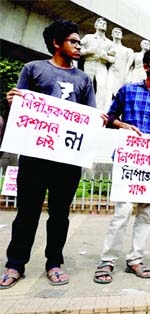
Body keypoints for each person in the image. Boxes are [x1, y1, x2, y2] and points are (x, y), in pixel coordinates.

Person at [1, 19, 97, 289]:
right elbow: (21, 114)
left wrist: (98, 118)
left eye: (79, 42)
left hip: (68, 159)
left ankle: (54, 263)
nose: (79, 46)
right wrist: (14, 102)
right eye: (73, 41)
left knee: (60, 215)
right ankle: (15, 264)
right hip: (35, 158)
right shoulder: (33, 69)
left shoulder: (84, 79)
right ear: (57, 43)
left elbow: (89, 114)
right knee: (26, 213)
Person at [93, 48, 150, 284]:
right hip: (128, 160)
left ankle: (135, 259)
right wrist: (123, 126)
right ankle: (107, 261)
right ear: (147, 66)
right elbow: (108, 119)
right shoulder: (128, 91)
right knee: (122, 212)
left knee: (146, 214)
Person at [80, 17, 115, 112]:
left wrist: (106, 57)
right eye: (100, 22)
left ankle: (98, 110)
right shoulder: (88, 37)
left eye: (105, 23)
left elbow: (113, 59)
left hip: (101, 65)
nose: (103, 24)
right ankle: (83, 107)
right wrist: (87, 51)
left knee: (101, 86)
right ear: (95, 25)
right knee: (87, 84)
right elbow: (78, 49)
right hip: (89, 62)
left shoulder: (109, 42)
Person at [106, 27, 133, 106]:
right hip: (111, 71)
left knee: (120, 94)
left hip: (122, 74)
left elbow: (130, 66)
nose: (117, 33)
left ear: (121, 36)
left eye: (119, 32)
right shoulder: (108, 46)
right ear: (111, 35)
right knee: (108, 92)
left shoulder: (127, 50)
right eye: (115, 32)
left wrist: (127, 77)